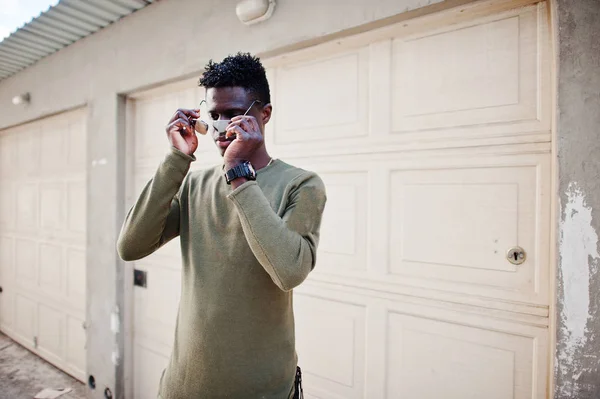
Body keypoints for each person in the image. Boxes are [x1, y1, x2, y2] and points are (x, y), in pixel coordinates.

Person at [117, 52, 327, 399]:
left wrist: (238, 174)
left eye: (233, 113)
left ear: (265, 114)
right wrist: (176, 158)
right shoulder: (194, 184)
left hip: (263, 390)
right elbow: (130, 246)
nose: (220, 125)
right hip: (182, 387)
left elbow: (288, 271)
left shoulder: (301, 184)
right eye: (213, 115)